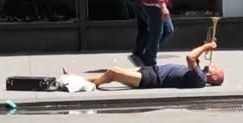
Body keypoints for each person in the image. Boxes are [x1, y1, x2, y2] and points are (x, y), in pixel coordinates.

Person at [85, 41, 224, 89]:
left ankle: (88, 86)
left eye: (216, 69)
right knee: (109, 76)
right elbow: (195, 56)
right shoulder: (199, 72)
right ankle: (76, 80)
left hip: (152, 79)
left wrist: (206, 47)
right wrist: (205, 47)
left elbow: (190, 57)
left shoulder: (200, 78)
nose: (214, 66)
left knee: (113, 72)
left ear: (215, 77)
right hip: (152, 71)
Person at [129, 0, 174, 67]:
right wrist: (163, 6)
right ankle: (150, 62)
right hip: (153, 3)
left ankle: (145, 55)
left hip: (152, 1)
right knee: (156, 34)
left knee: (168, 29)